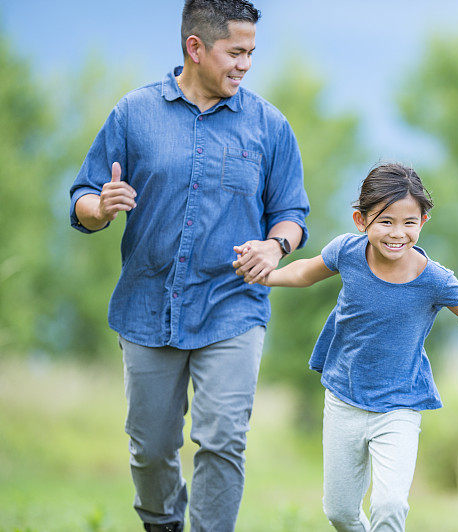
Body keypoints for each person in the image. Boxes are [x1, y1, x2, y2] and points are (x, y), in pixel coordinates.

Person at [68, 1, 310, 530]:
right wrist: (100, 207)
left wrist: (276, 246)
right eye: (236, 52)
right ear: (195, 48)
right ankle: (161, 522)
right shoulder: (134, 114)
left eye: (251, 52)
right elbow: (82, 198)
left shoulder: (269, 124)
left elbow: (291, 212)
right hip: (147, 305)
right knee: (151, 448)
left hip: (232, 306)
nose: (246, 64)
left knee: (223, 439)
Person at [247, 162, 458, 531]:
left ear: (423, 222)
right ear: (360, 220)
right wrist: (265, 276)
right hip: (343, 398)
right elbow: (304, 272)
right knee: (339, 511)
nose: (397, 233)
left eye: (408, 222)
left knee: (390, 504)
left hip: (399, 404)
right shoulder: (347, 253)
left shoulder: (434, 279)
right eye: (385, 222)